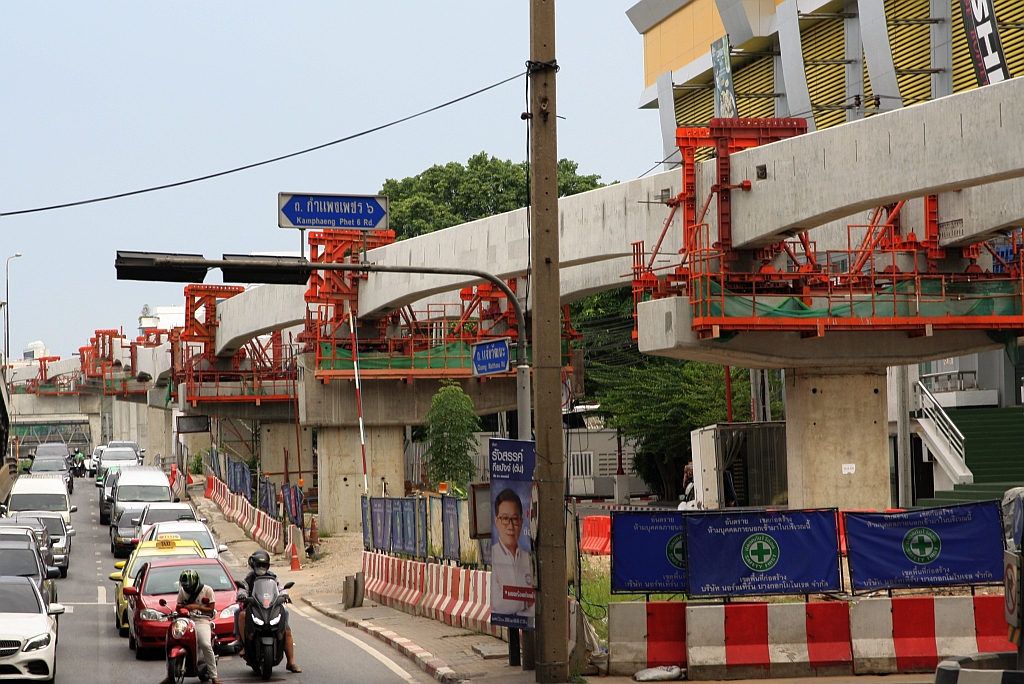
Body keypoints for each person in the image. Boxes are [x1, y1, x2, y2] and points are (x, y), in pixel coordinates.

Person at [236, 550, 301, 673]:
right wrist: (242, 596)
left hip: (271, 608)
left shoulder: (274, 577)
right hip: (254, 607)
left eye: (263, 566)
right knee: (241, 614)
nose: (261, 568)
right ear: (253, 566)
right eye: (258, 566)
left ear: (268, 566)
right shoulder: (249, 578)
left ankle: (291, 662)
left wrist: (285, 596)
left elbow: (281, 588)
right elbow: (243, 588)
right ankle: (245, 644)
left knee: (286, 627)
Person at [158, 569, 221, 684]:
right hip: (185, 621)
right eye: (186, 587)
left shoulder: (207, 590)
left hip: (201, 620)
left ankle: (214, 676)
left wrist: (196, 607)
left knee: (205, 644)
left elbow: (211, 609)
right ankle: (169, 675)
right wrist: (182, 607)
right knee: (170, 641)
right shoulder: (183, 591)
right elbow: (178, 606)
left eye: (190, 587)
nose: (188, 589)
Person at [489, 488, 534, 620]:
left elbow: (536, 605)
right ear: (496, 521)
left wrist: (513, 602)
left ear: (521, 522)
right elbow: (498, 604)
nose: (510, 526)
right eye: (505, 519)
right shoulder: (494, 556)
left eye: (515, 519)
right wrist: (525, 601)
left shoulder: (528, 558)